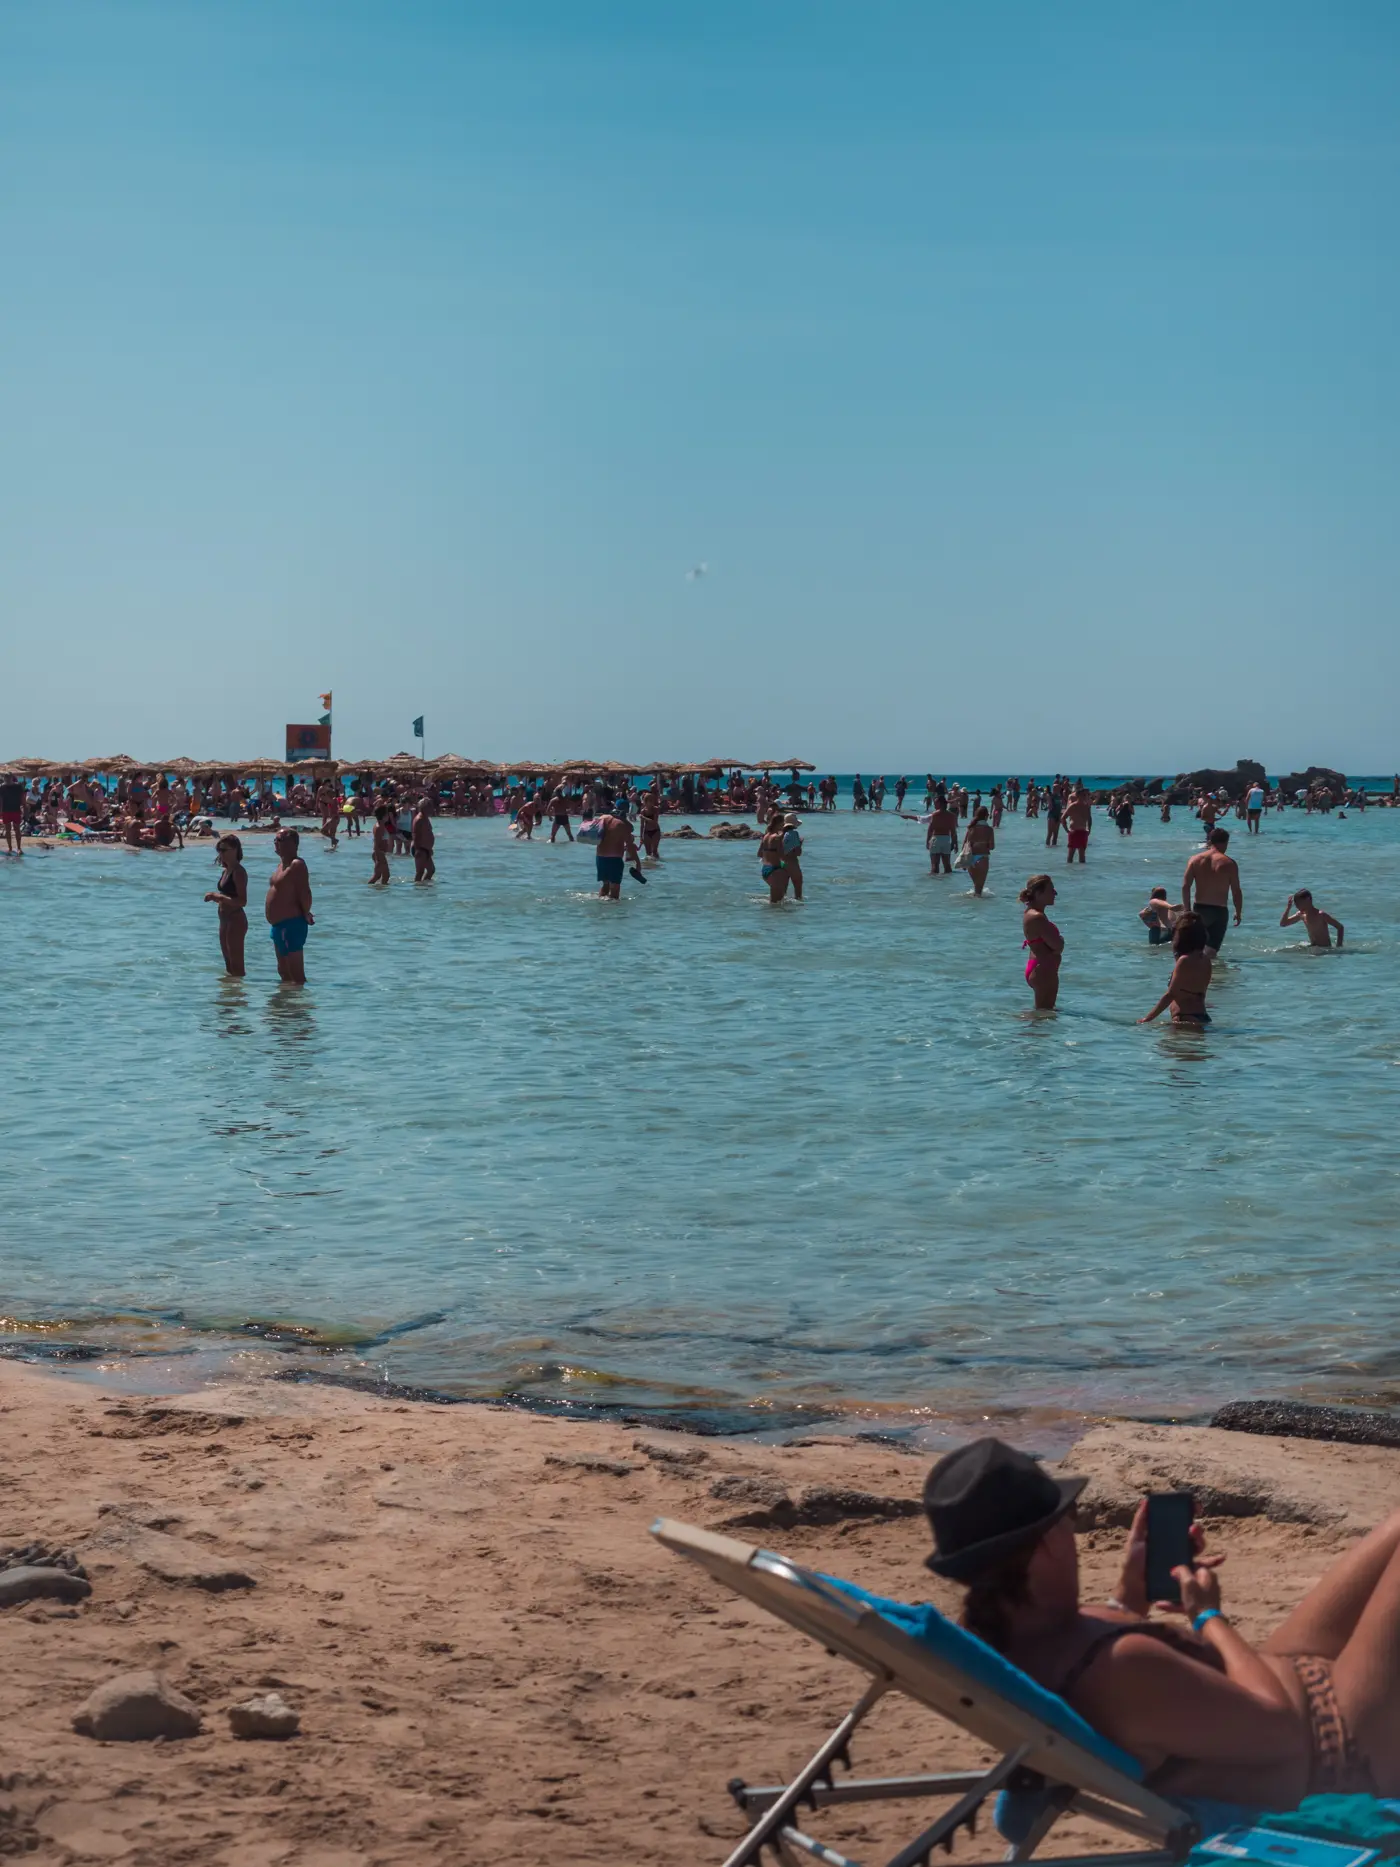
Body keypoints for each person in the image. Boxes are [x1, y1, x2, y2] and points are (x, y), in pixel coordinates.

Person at [923, 1436, 1400, 1803]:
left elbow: (1106, 1640)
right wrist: (1209, 1616)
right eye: (1067, 1521)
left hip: (1294, 1678)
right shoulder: (1122, 1667)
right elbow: (1278, 1729)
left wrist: (1132, 1590)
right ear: (1046, 1542)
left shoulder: (1009, 1635)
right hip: (1341, 1742)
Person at [1140, 912, 1212, 1024]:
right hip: (1202, 1017)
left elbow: (1171, 994)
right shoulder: (1205, 960)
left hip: (1184, 1018)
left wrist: (1147, 1019)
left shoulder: (1184, 961)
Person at [1182, 828, 1242, 956]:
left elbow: (1185, 886)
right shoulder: (1229, 863)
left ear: (1210, 841)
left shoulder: (1194, 859)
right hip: (1219, 911)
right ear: (1226, 843)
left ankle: (1193, 973)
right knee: (1211, 951)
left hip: (1199, 909)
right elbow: (1236, 891)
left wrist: (1187, 910)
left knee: (1196, 948)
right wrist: (1238, 911)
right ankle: (1211, 974)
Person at [265, 828, 313, 983]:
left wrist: (306, 912)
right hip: (277, 925)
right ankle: (286, 1005)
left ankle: (299, 1005)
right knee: (283, 971)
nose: (276, 844)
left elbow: (304, 892)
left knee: (296, 974)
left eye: (280, 840)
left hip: (291, 924)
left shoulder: (297, 864)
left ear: (293, 843)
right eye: (275, 840)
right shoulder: (280, 866)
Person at [203, 833, 248, 977]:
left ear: (234, 850)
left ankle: (239, 996)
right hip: (224, 919)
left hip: (235, 919)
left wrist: (218, 896)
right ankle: (229, 994)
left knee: (237, 965)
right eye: (219, 850)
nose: (221, 854)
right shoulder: (226, 871)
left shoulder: (238, 872)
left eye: (224, 850)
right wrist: (216, 898)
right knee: (228, 963)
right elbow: (229, 896)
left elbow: (242, 901)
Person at [1019, 875, 1063, 1009]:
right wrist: (1060, 940)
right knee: (1044, 1017)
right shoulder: (1037, 917)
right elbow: (1058, 946)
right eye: (1051, 890)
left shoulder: (1034, 914)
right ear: (1038, 894)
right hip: (1043, 970)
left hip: (1041, 968)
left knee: (1044, 1016)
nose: (1055, 893)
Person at [593, 810, 639, 901]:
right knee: (615, 887)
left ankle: (601, 904)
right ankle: (615, 912)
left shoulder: (602, 818)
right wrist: (637, 862)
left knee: (605, 884)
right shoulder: (621, 824)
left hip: (600, 857)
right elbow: (629, 842)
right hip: (614, 858)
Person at [961, 806, 995, 896]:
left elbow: (965, 844)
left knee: (976, 886)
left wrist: (963, 861)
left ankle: (973, 907)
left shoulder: (971, 828)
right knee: (979, 889)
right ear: (986, 816)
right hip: (982, 858)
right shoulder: (989, 829)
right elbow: (992, 847)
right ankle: (979, 907)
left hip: (971, 858)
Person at [758, 809, 790, 903]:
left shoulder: (765, 836)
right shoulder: (777, 837)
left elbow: (759, 854)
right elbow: (783, 855)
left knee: (776, 903)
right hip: (776, 871)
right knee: (777, 903)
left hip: (766, 869)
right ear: (780, 824)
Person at [411, 794, 436, 883]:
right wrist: (418, 850)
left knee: (431, 870)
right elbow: (415, 835)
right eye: (430, 806)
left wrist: (429, 848)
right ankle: (417, 890)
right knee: (420, 872)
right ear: (424, 807)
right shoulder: (419, 819)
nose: (432, 809)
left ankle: (424, 887)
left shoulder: (425, 818)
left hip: (425, 848)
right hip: (420, 848)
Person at [1063, 790, 1092, 864]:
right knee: (1070, 855)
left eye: (1086, 795)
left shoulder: (1087, 806)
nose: (1085, 797)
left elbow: (1089, 819)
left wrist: (1089, 829)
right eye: (1083, 795)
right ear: (1078, 796)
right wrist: (1067, 830)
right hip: (1074, 831)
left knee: (1082, 857)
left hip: (1083, 831)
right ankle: (1070, 873)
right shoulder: (1073, 806)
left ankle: (1082, 874)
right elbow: (1063, 818)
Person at [1, 770, 25, 854]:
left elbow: (23, 798)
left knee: (17, 829)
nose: (7, 780)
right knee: (7, 830)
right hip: (6, 810)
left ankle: (19, 848)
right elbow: (1, 799)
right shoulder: (2, 787)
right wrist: (0, 811)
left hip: (16, 810)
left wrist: (24, 808)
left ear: (12, 778)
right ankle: (10, 848)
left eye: (8, 778)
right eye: (5, 778)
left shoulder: (18, 786)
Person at [369, 805, 393, 885]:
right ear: (384, 815)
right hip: (379, 853)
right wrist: (379, 857)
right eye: (387, 814)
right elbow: (376, 844)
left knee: (378, 876)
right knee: (386, 876)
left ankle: (377, 891)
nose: (388, 816)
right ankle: (383, 893)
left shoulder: (381, 825)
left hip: (380, 853)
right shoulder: (379, 827)